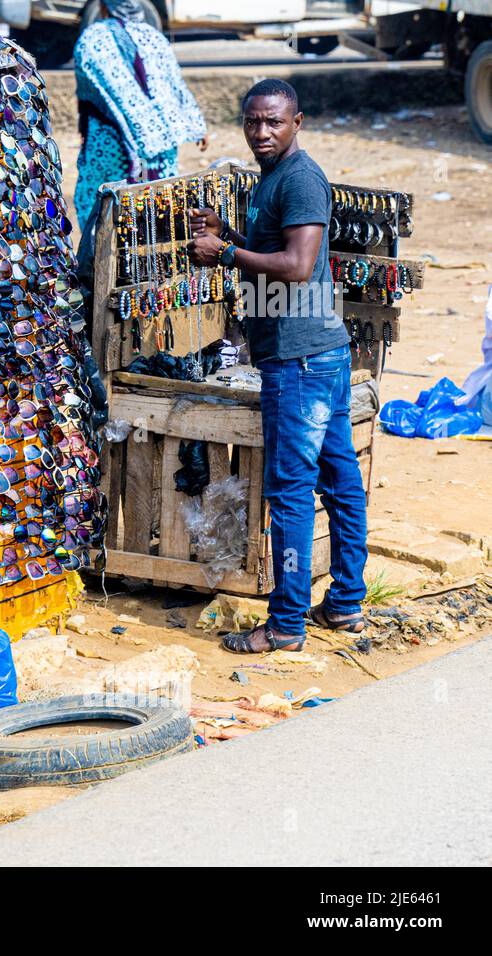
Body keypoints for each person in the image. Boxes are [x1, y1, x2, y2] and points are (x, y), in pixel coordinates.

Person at [187, 78, 367, 653]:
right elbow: (277, 254)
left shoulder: (301, 179)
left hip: (300, 360)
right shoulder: (273, 180)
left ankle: (286, 625)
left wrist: (226, 254)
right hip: (314, 354)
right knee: (339, 482)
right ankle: (344, 605)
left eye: (274, 123)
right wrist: (231, 236)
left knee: (291, 491)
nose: (261, 132)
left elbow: (295, 265)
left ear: (298, 122)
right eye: (252, 122)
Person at [71, 0, 208, 229]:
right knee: (157, 208)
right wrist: (196, 124)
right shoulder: (154, 38)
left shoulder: (91, 38)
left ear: (105, 6)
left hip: (111, 143)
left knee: (104, 209)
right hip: (160, 146)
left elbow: (89, 92)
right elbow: (174, 86)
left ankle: (102, 261)